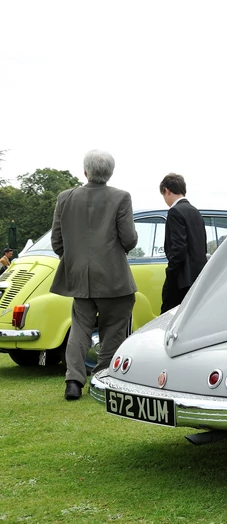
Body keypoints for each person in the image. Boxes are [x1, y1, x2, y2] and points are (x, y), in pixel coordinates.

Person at [50, 150, 138, 401]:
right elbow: (129, 240)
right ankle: (101, 378)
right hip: (113, 277)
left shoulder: (65, 198)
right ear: (110, 172)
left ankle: (73, 381)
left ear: (85, 171)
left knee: (80, 329)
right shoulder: (121, 197)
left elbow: (58, 242)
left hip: (78, 276)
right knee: (114, 330)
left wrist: (76, 260)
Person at [159, 173, 207, 314]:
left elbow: (178, 248)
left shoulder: (175, 211)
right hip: (197, 278)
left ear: (167, 190)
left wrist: (171, 271)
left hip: (180, 279)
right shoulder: (195, 212)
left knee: (168, 317)